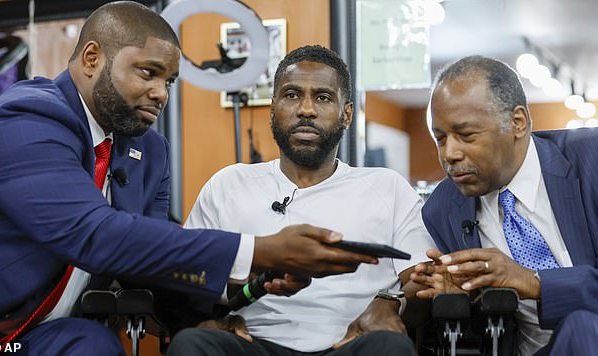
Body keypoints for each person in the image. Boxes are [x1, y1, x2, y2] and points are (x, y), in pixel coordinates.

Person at [0, 3, 379, 355]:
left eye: (170, 81)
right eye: (148, 73)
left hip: (41, 337)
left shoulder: (149, 152)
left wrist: (242, 286)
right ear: (92, 58)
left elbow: (151, 261)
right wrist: (257, 250)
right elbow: (94, 233)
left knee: (94, 346)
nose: (160, 93)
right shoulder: (27, 119)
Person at [167, 45, 435, 356]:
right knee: (192, 342)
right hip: (251, 343)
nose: (306, 109)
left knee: (390, 346)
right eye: (292, 95)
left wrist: (391, 304)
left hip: (350, 343)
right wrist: (210, 318)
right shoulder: (228, 185)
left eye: (322, 97)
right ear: (273, 107)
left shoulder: (387, 187)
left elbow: (422, 279)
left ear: (346, 114)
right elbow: (183, 277)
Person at [411, 55, 598, 355]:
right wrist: (464, 297)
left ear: (517, 122)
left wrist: (537, 283)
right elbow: (481, 332)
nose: (450, 154)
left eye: (466, 135)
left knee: (583, 328)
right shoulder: (442, 208)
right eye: (440, 139)